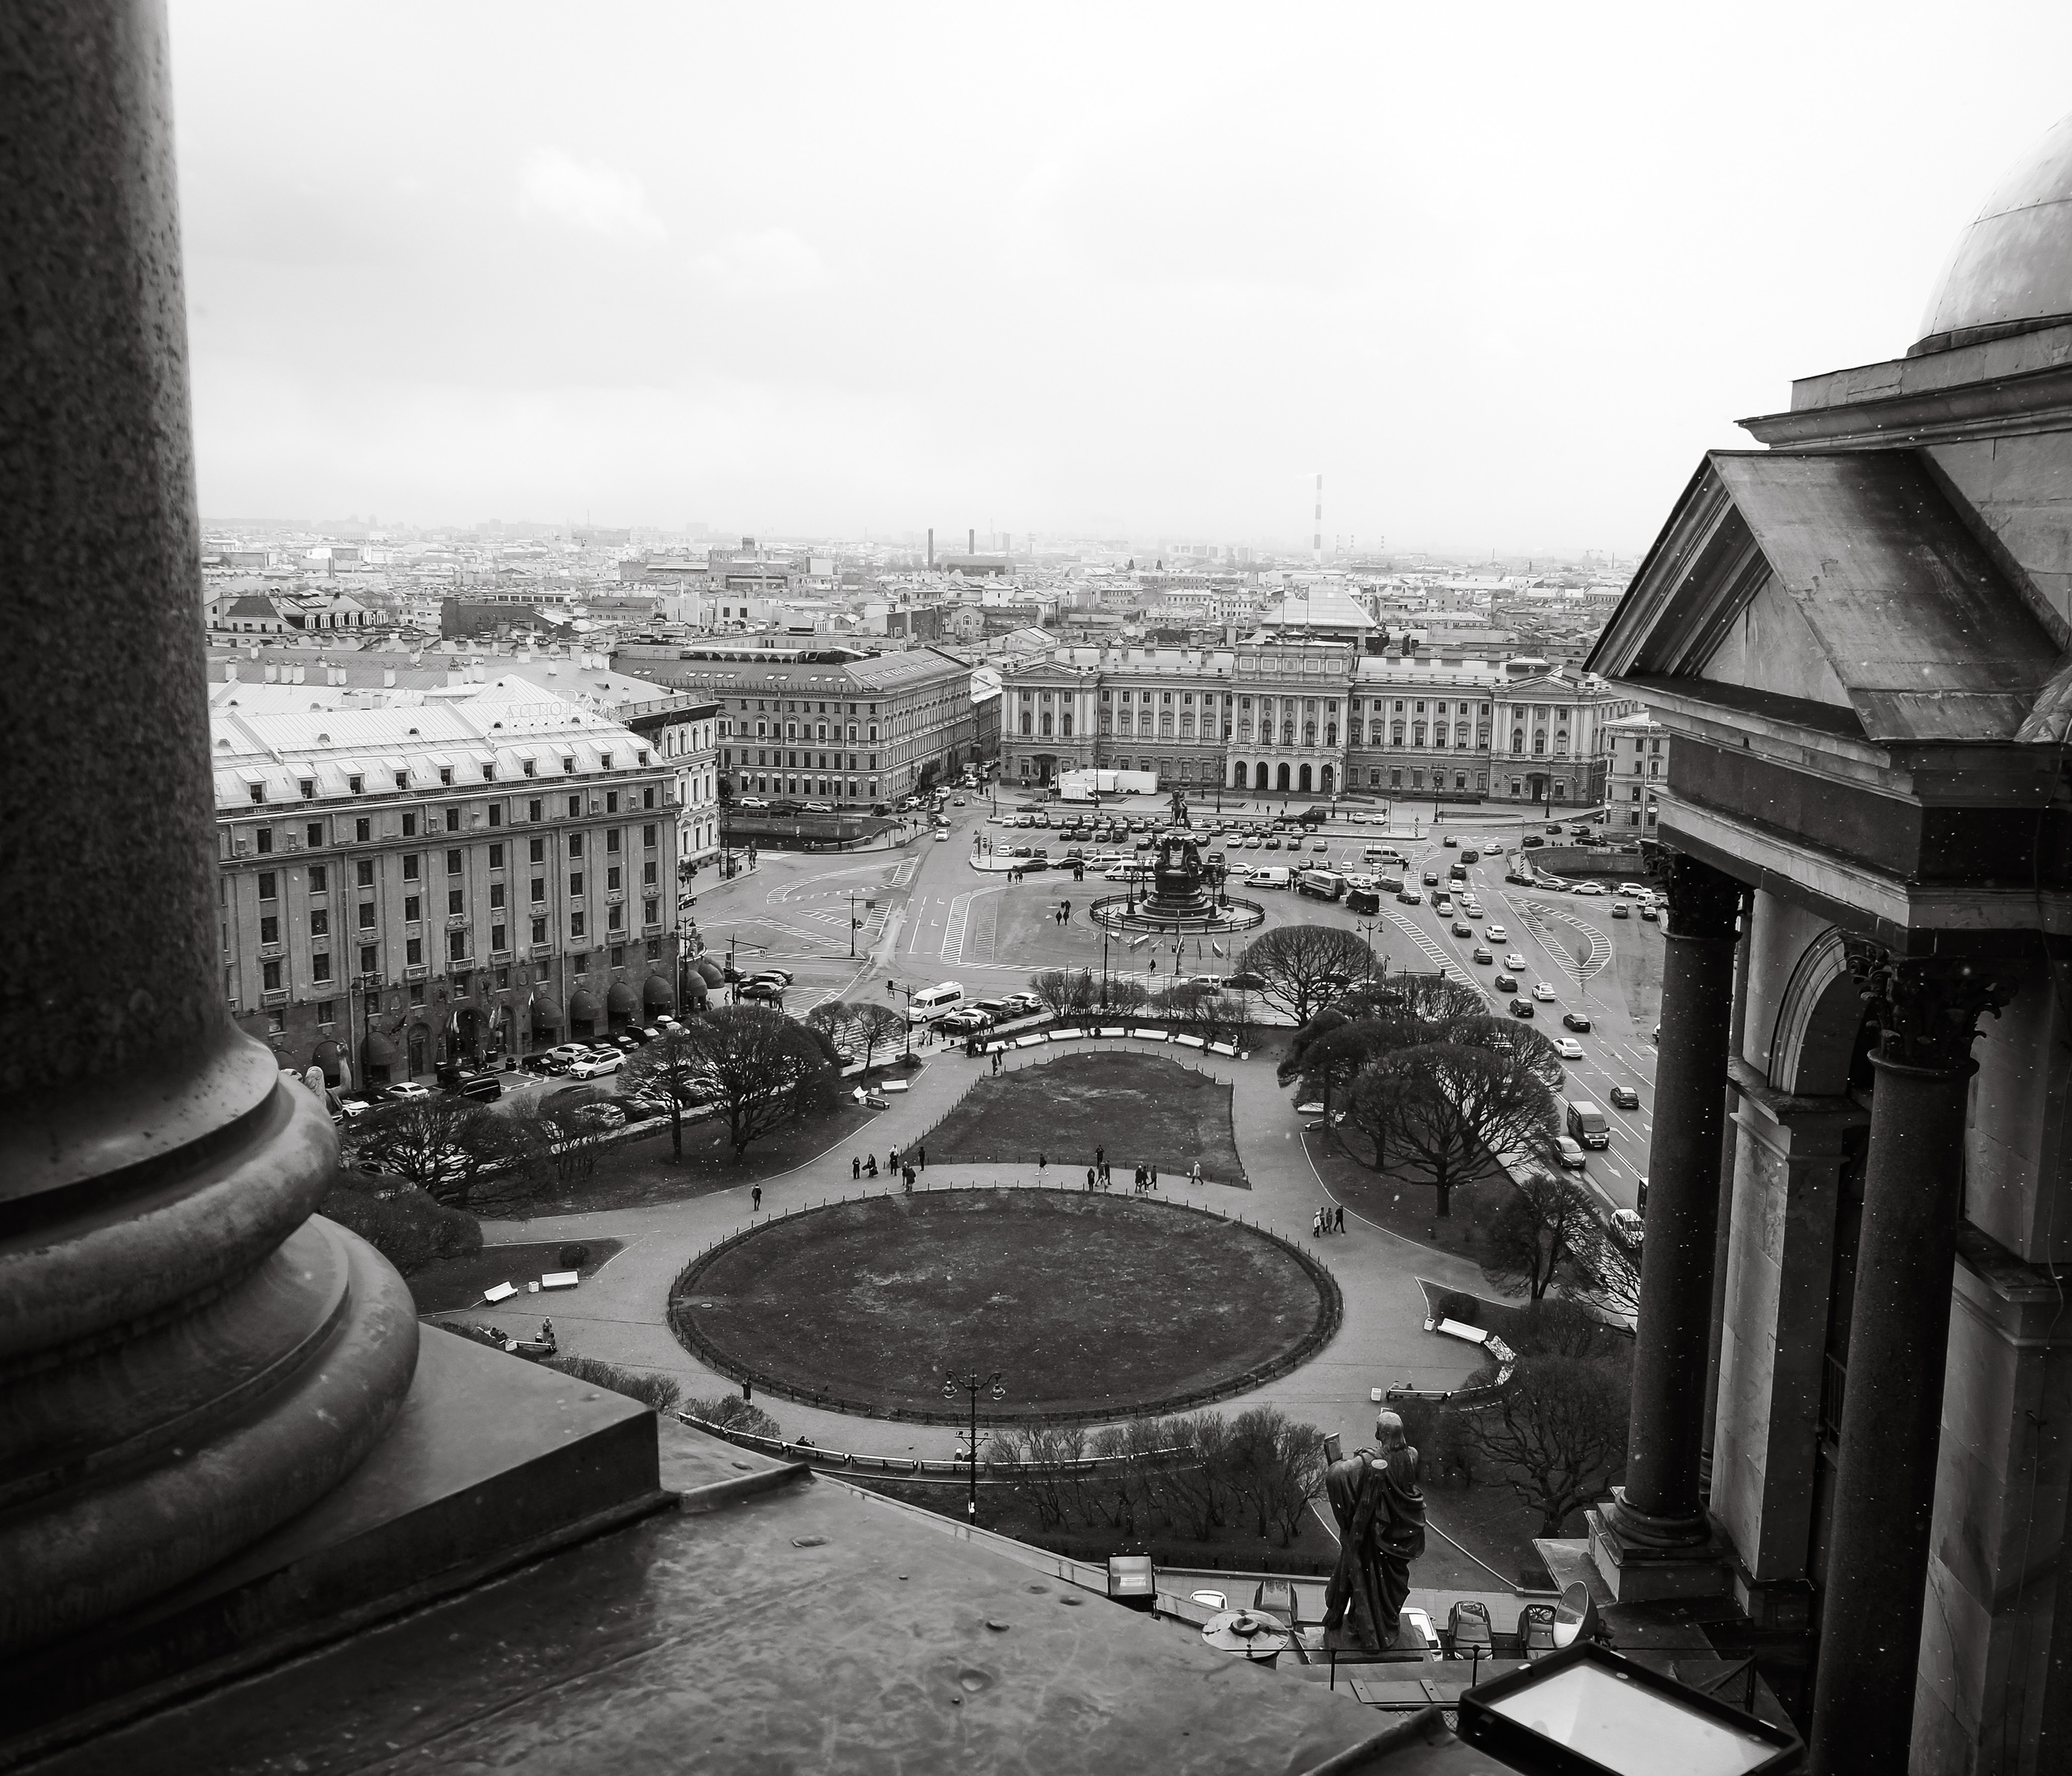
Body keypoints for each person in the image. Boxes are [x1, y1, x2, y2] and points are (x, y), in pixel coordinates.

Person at [1322, 1413, 1426, 1653]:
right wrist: (1366, 1455)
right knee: (1387, 1586)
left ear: (1385, 1434)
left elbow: (1337, 1474)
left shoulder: (1371, 1462)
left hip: (1376, 1539)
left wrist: (1343, 1461)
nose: (1376, 1435)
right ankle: (1384, 1624)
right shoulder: (1412, 1455)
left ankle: (1367, 1630)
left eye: (1379, 1430)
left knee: (1369, 1582)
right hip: (1399, 1536)